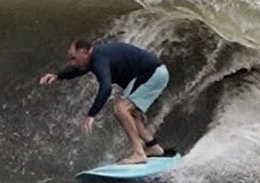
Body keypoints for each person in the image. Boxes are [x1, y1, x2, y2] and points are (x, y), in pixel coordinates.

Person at [38, 38, 172, 164]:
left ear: (85, 52)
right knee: (131, 113)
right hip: (150, 74)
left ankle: (138, 153)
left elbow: (106, 87)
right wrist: (57, 75)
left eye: (74, 58)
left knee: (121, 108)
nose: (73, 63)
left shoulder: (99, 59)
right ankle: (154, 147)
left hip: (152, 73)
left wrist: (91, 115)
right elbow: (75, 70)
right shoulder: (93, 58)